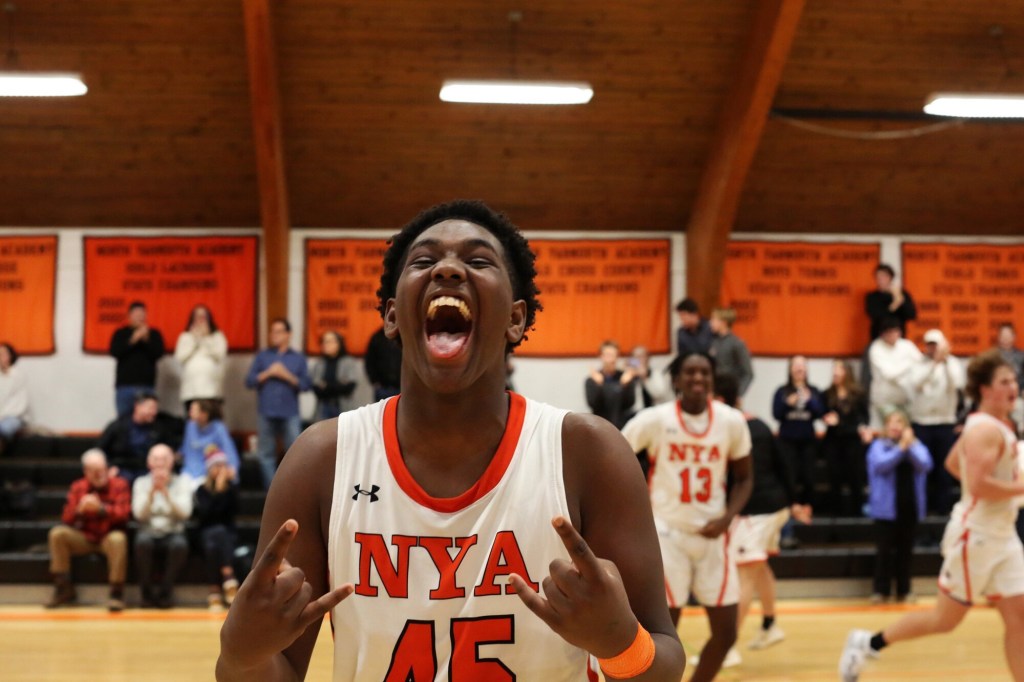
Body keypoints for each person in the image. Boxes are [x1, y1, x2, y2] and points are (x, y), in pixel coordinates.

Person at [217, 200, 685, 681]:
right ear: (393, 316)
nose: (447, 269)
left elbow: (665, 664)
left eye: (479, 261)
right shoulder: (324, 459)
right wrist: (241, 656)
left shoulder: (588, 454)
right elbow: (272, 672)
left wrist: (620, 643)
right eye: (423, 261)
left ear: (516, 319)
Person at [840, 350, 1024, 681]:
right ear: (984, 389)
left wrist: (999, 488)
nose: (1013, 386)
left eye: (1014, 380)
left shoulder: (993, 424)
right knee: (945, 620)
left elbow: (955, 464)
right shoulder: (984, 430)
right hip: (977, 535)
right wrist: (1017, 488)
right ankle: (868, 642)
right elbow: (980, 485)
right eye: (1004, 381)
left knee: (1019, 618)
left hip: (1003, 534)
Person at [623, 352, 753, 682]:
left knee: (727, 632)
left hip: (714, 534)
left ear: (712, 379)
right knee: (666, 634)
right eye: (690, 372)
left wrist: (726, 519)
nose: (698, 379)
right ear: (676, 380)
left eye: (704, 373)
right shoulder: (654, 419)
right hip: (667, 535)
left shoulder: (731, 421)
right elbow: (616, 456)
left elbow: (745, 477)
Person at [715, 373, 810, 667]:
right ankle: (770, 625)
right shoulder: (759, 424)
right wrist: (794, 501)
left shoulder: (728, 428)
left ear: (719, 400)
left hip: (756, 512)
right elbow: (784, 464)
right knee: (760, 568)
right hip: (775, 506)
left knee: (745, 575)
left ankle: (726, 647)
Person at [45, 449, 131, 612]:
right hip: (85, 537)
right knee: (57, 534)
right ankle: (64, 588)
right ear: (86, 471)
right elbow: (66, 518)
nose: (99, 474)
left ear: (107, 468)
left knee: (118, 539)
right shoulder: (78, 487)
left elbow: (124, 514)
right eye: (94, 471)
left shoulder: (119, 484)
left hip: (108, 537)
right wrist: (79, 510)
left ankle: (116, 594)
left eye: (102, 470)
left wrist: (101, 509)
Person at [865, 409, 931, 603]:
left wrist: (908, 447)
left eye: (899, 422)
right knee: (884, 551)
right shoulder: (878, 446)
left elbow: (926, 465)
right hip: (885, 509)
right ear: (886, 426)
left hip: (909, 506)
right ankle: (880, 590)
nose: (895, 426)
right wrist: (901, 448)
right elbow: (880, 465)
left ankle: (905, 590)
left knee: (906, 551)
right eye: (892, 423)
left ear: (906, 427)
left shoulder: (916, 446)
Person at [245, 318, 311, 489]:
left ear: (288, 334)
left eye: (279, 331)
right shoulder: (263, 356)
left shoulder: (297, 358)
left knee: (294, 454)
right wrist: (267, 373)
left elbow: (305, 385)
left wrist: (286, 375)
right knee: (265, 454)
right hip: (266, 411)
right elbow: (249, 381)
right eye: (272, 331)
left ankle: (292, 491)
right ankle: (272, 492)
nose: (274, 335)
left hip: (290, 412)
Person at [908, 329, 964, 515]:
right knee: (922, 468)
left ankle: (943, 509)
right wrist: (933, 365)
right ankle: (922, 508)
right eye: (929, 344)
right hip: (922, 423)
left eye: (935, 344)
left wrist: (945, 363)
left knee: (944, 469)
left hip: (945, 422)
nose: (932, 348)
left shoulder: (954, 363)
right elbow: (917, 383)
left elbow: (957, 384)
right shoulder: (918, 364)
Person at [132, 443, 193, 608]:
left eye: (164, 459)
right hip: (148, 531)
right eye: (156, 459)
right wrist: (151, 494)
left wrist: (167, 495)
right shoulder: (140, 483)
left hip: (173, 531)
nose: (160, 463)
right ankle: (146, 593)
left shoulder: (183, 481)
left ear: (172, 461)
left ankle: (166, 592)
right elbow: (139, 515)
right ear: (148, 462)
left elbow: (185, 513)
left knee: (179, 545)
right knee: (141, 543)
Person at [772, 355, 826, 509]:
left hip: (808, 440)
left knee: (809, 475)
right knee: (788, 475)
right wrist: (788, 404)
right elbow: (776, 414)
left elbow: (820, 413)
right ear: (790, 369)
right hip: (787, 440)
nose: (799, 368)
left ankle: (808, 506)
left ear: (807, 369)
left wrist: (809, 401)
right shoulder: (782, 391)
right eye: (796, 365)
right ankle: (791, 506)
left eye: (802, 365)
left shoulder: (814, 391)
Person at [97, 390, 183, 484]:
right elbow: (99, 450)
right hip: (123, 468)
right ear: (137, 406)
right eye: (151, 408)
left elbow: (170, 448)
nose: (154, 412)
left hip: (148, 470)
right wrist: (109, 467)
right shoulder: (118, 426)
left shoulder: (159, 428)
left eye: (155, 409)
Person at [822, 359, 872, 516]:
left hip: (852, 441)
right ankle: (836, 515)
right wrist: (826, 418)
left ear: (847, 372)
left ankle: (856, 514)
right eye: (834, 369)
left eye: (839, 369)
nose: (835, 372)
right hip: (833, 441)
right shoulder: (827, 393)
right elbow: (821, 413)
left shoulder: (858, 394)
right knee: (834, 478)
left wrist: (860, 427)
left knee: (855, 478)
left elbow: (864, 418)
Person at [195, 447, 240, 611]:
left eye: (223, 465)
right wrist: (218, 491)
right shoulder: (202, 490)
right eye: (217, 466)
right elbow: (207, 515)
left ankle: (214, 589)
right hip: (206, 532)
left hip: (228, 535)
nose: (220, 470)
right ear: (209, 469)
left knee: (217, 539)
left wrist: (224, 489)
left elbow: (232, 512)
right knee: (214, 536)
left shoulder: (232, 489)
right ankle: (228, 575)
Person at [109, 300, 165, 418]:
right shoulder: (121, 333)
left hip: (147, 386)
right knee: (123, 422)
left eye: (142, 314)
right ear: (129, 316)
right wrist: (133, 339)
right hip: (125, 386)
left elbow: (159, 354)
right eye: (136, 314)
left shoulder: (154, 334)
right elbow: (115, 352)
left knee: (147, 420)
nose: (139, 316)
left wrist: (146, 340)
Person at [867, 316, 922, 427]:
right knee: (893, 429)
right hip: (885, 401)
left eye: (895, 331)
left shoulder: (907, 345)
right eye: (888, 332)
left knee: (906, 432)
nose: (892, 335)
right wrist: (909, 364)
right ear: (882, 334)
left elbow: (921, 363)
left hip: (905, 398)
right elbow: (889, 374)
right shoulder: (876, 348)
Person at [174, 303, 228, 413]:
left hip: (211, 390)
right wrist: (195, 339)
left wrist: (205, 338)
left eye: (203, 317)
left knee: (212, 422)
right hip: (190, 391)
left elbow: (220, 355)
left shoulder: (217, 336)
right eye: (197, 317)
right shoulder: (185, 337)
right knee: (192, 423)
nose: (200, 320)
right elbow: (180, 358)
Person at [179, 399, 239, 486]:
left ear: (204, 414)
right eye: (190, 409)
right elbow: (186, 448)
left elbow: (229, 450)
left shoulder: (219, 428)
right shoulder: (190, 426)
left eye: (194, 410)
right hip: (189, 470)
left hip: (210, 471)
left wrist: (232, 468)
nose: (190, 412)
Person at [584, 340, 637, 430]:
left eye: (614, 355)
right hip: (600, 428)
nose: (611, 360)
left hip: (623, 427)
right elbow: (593, 404)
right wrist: (599, 386)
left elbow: (629, 404)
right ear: (601, 356)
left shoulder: (625, 378)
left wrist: (624, 385)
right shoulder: (592, 380)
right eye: (608, 355)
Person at [309, 330, 360, 420]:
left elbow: (349, 387)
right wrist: (338, 384)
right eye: (324, 341)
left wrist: (326, 386)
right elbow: (316, 388)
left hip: (343, 406)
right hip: (323, 407)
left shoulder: (348, 362)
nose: (325, 344)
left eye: (329, 341)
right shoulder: (319, 363)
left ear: (339, 343)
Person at [864, 264, 917, 342]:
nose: (880, 280)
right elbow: (876, 316)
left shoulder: (902, 294)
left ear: (890, 278)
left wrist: (899, 299)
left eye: (883, 276)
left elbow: (912, 315)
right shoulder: (872, 297)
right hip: (878, 338)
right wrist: (895, 303)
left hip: (899, 339)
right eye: (878, 277)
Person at [709, 308, 754, 396]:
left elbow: (748, 373)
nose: (711, 323)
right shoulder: (713, 342)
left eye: (714, 320)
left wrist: (738, 394)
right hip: (715, 392)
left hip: (730, 392)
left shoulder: (737, 343)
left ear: (723, 322)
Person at [0, 342, 29, 454]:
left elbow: (20, 403)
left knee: (4, 428)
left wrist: (2, 416)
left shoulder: (18, 376)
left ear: (10, 356)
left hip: (12, 416)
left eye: (3, 354)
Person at [363, 325, 402, 402]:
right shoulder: (377, 337)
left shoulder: (406, 337)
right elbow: (369, 361)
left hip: (402, 387)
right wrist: (374, 381)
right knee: (381, 413)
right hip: (382, 388)